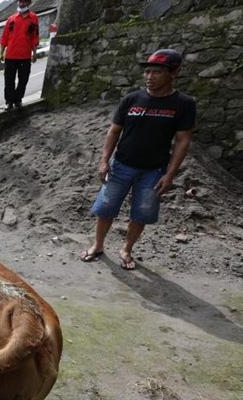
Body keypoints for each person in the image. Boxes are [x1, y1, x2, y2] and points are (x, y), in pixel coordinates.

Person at [81, 49, 196, 270]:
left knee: (141, 213)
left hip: (154, 171)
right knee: (106, 208)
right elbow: (114, 131)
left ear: (174, 73)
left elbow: (183, 140)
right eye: (147, 72)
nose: (149, 77)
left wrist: (170, 174)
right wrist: (104, 161)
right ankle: (98, 245)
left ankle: (126, 249)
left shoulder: (183, 104)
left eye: (157, 72)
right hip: (121, 165)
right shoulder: (132, 99)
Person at [0, 0, 39, 111]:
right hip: (10, 55)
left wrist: (34, 53)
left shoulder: (33, 18)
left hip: (25, 55)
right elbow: (4, 37)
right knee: (9, 80)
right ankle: (9, 102)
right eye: (20, 1)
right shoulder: (11, 19)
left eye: (24, 1)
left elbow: (34, 37)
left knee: (23, 80)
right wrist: (1, 53)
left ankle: (18, 100)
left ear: (29, 3)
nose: (22, 3)